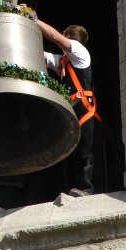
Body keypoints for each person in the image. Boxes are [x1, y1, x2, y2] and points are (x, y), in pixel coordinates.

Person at [35, 19, 101, 196]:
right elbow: (39, 54)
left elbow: (54, 36)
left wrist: (34, 19)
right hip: (73, 112)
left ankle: (88, 189)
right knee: (73, 151)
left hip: (85, 111)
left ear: (68, 36)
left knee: (86, 153)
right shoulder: (63, 61)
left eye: (64, 35)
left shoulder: (81, 53)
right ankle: (77, 188)